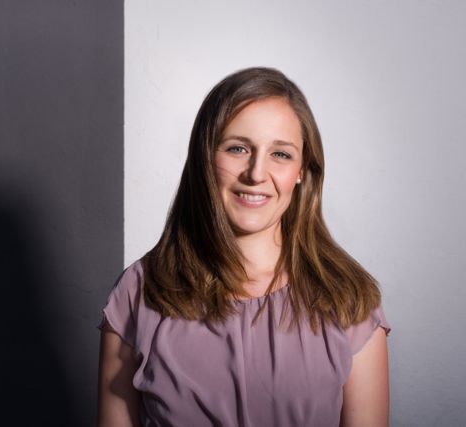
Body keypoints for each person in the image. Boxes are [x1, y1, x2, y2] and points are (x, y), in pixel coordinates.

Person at [97, 67, 391, 427]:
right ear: (205, 157)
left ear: (302, 170)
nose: (255, 173)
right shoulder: (139, 292)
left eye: (280, 154)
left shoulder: (350, 300)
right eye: (237, 148)